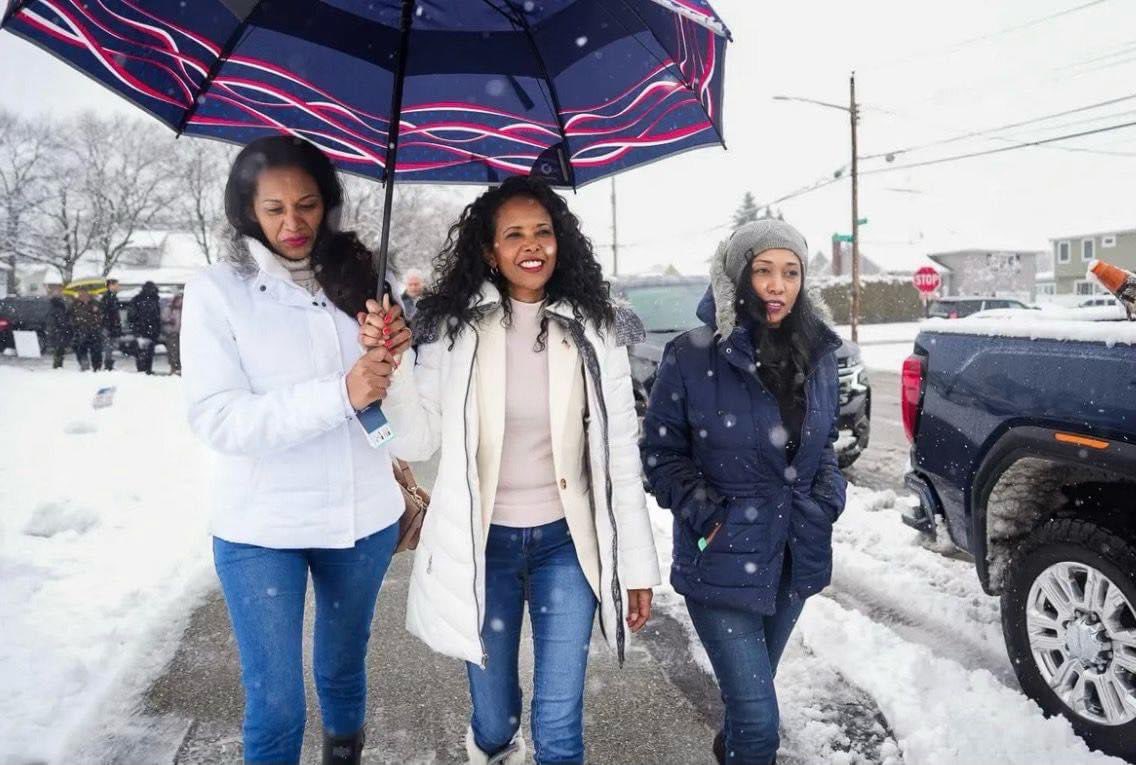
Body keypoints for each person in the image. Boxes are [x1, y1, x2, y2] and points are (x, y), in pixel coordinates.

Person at [373, 176, 661, 765]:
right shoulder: (454, 332)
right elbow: (416, 437)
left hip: (567, 546)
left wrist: (636, 565)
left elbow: (619, 461)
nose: (532, 245)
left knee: (559, 727)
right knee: (495, 718)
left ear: (561, 241)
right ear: (489, 250)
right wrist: (395, 366)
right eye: (514, 235)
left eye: (543, 231)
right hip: (484, 547)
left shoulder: (595, 329)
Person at [180, 135, 412, 765]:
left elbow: (407, 410)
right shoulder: (217, 292)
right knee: (276, 700)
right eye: (275, 208)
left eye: (307, 205)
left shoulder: (370, 280)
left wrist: (398, 351)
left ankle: (345, 754)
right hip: (260, 527)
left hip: (360, 521)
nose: (293, 223)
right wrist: (341, 392)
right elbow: (219, 418)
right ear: (247, 211)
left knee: (342, 668)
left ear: (327, 204)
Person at [640, 219, 848, 765]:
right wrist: (709, 517)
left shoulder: (818, 354)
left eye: (790, 272)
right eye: (763, 271)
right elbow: (662, 453)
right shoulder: (690, 356)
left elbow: (824, 446)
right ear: (737, 277)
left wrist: (826, 501)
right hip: (721, 561)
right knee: (758, 724)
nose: (777, 285)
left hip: (793, 556)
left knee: (745, 708)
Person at [129, 281, 162, 374]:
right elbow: (157, 316)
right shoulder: (154, 300)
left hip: (140, 329)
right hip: (151, 330)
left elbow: (131, 315)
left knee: (141, 351)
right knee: (149, 352)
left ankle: (141, 369)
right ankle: (147, 369)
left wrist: (135, 327)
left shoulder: (137, 299)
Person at [70, 289, 104, 371]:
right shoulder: (74, 304)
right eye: (80, 293)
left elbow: (102, 316)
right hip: (80, 331)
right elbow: (70, 317)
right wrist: (75, 325)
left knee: (96, 350)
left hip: (94, 331)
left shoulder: (95, 303)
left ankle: (97, 367)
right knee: (80, 349)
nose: (82, 295)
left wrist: (96, 311)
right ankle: (84, 365)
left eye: (84, 293)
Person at [45, 285, 73, 369]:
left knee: (60, 349)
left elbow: (63, 317)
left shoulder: (61, 304)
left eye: (60, 291)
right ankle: (57, 366)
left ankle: (58, 365)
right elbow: (54, 319)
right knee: (58, 349)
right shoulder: (55, 305)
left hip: (60, 330)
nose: (60, 293)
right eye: (57, 291)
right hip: (58, 330)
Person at [101, 279, 123, 370]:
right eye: (117, 285)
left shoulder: (113, 297)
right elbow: (107, 313)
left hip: (111, 325)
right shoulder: (107, 298)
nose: (118, 287)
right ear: (111, 286)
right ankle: (108, 365)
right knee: (108, 346)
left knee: (110, 346)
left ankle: (109, 364)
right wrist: (110, 324)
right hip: (108, 326)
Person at [162, 291, 183, 375]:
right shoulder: (169, 308)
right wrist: (169, 322)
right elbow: (163, 318)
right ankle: (173, 368)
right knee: (172, 351)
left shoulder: (184, 309)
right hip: (172, 333)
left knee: (180, 351)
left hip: (181, 334)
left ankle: (179, 368)